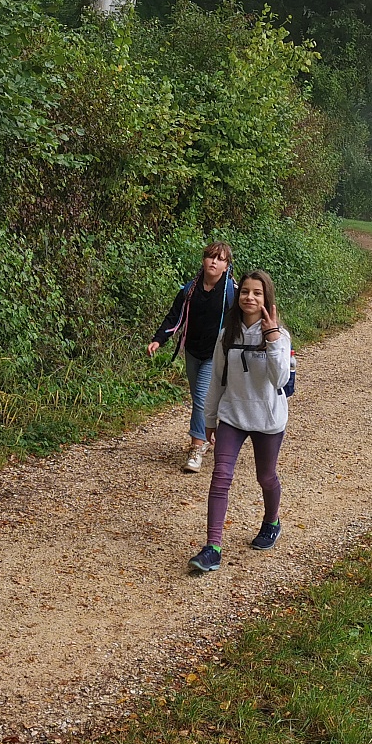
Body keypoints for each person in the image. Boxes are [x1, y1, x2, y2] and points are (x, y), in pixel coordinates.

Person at [188, 269, 290, 574]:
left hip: (267, 418)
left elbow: (280, 380)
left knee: (266, 477)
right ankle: (213, 547)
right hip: (233, 415)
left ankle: (271, 522)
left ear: (266, 299)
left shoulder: (279, 336)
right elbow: (217, 381)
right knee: (221, 476)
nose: (250, 298)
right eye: (245, 291)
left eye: (257, 293)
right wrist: (209, 418)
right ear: (238, 295)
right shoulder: (227, 334)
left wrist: (272, 339)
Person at [148, 242, 236, 472]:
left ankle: (197, 446)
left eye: (220, 259)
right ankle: (212, 432)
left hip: (215, 354)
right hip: (192, 351)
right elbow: (174, 317)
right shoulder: (190, 290)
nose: (214, 262)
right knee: (202, 398)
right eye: (210, 257)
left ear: (227, 265)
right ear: (203, 260)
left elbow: (243, 320)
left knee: (200, 398)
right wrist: (159, 339)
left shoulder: (231, 293)